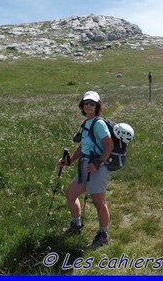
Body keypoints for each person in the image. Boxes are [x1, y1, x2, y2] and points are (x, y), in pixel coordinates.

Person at [58, 91, 114, 248]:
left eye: (92, 103)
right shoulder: (86, 123)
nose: (88, 105)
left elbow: (109, 146)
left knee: (98, 202)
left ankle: (102, 235)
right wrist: (69, 161)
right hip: (85, 165)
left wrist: (97, 164)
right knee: (70, 194)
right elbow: (83, 147)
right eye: (86, 102)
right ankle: (75, 225)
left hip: (97, 166)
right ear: (82, 105)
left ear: (97, 106)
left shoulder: (98, 123)